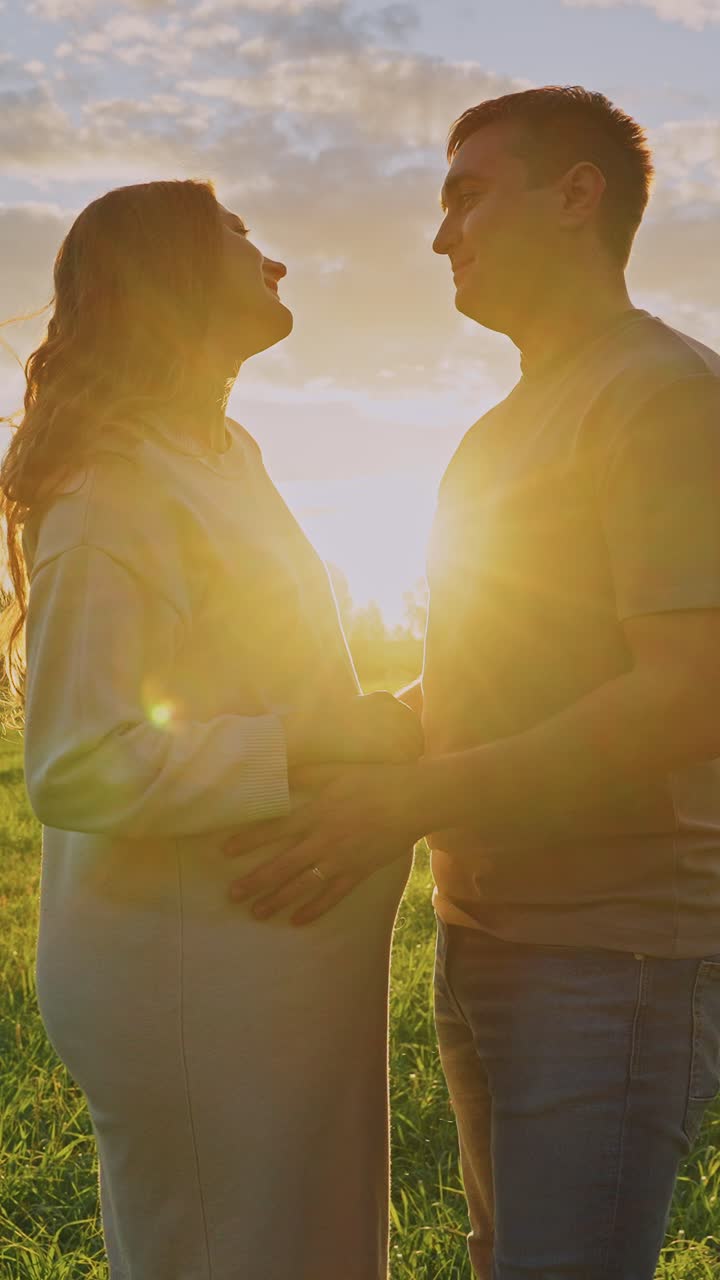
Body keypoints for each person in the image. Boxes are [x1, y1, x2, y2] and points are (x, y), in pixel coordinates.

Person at [223, 88, 720, 1279]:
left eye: (467, 194)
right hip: (485, 931)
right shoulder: (499, 432)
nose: (443, 234)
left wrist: (407, 801)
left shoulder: (663, 396)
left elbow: (689, 691)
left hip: (615, 956)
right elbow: (473, 681)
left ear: (578, 195)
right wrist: (317, 746)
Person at [0, 178, 423, 1280]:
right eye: (239, 237)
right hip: (193, 977)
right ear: (170, 276)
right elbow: (78, 764)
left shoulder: (226, 452)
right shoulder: (113, 490)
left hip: (273, 970)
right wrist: (317, 747)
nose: (274, 262)